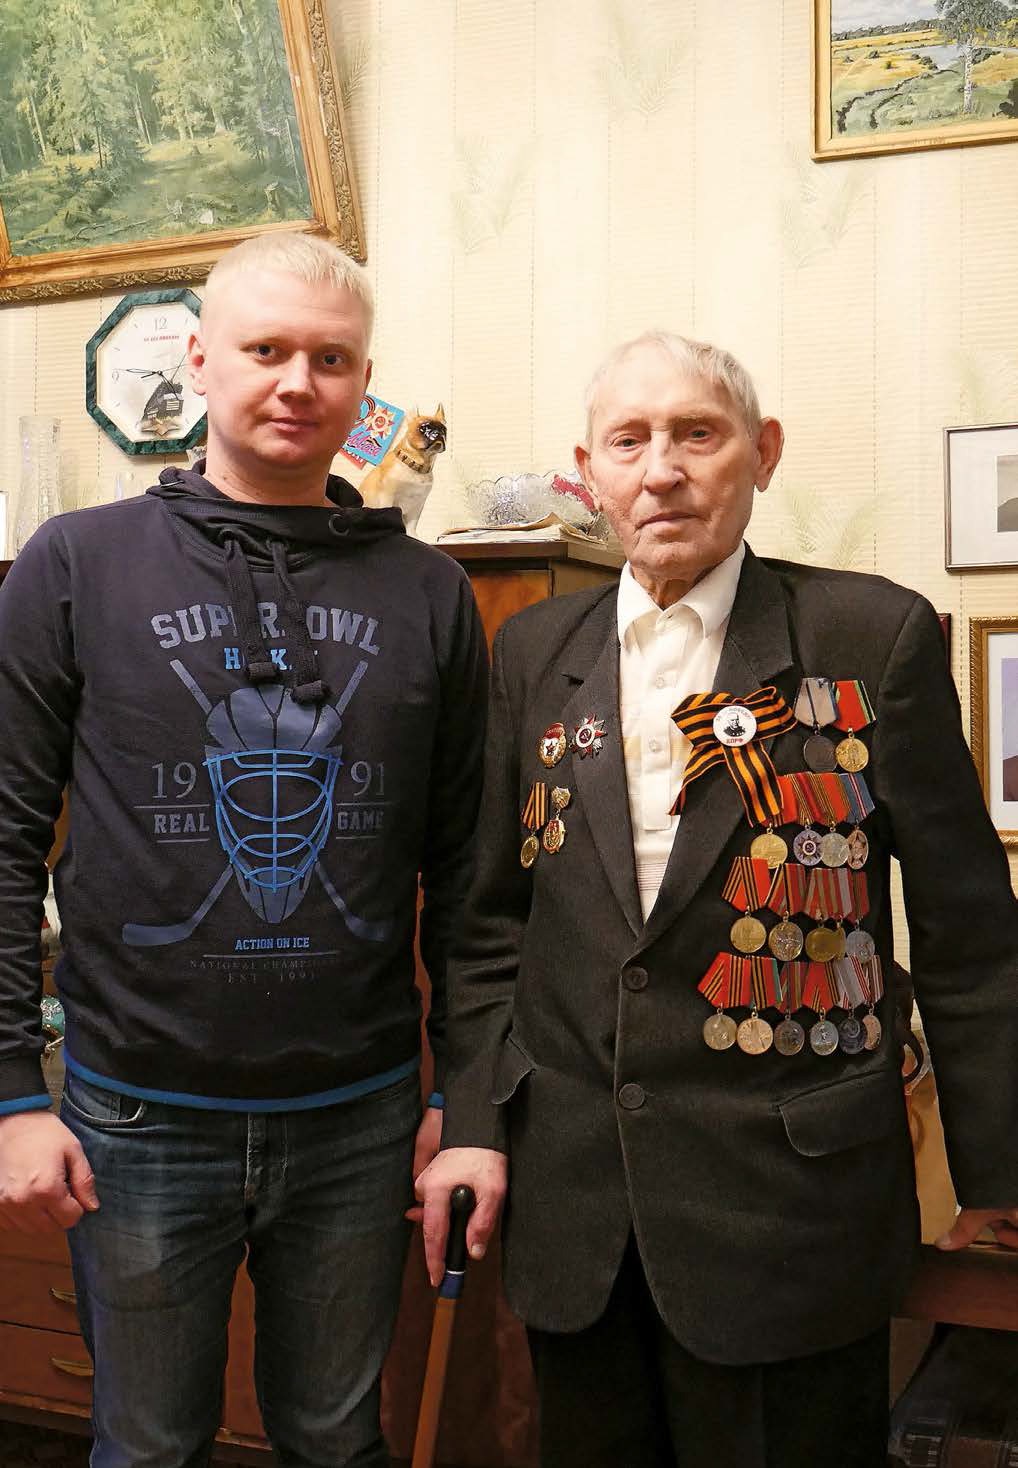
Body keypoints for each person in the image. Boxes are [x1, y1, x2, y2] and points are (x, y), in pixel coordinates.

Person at [417, 331, 1018, 1468]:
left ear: (762, 452)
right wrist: (478, 1124)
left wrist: (999, 1168)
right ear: (588, 473)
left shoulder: (868, 634)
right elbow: (490, 923)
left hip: (790, 1210)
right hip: (577, 1213)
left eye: (697, 433)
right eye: (628, 441)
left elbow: (969, 930)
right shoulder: (534, 650)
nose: (662, 470)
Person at [0, 231, 488, 1468]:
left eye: (331, 359)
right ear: (200, 358)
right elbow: (3, 837)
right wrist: (9, 1094)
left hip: (360, 1115)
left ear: (363, 383)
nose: (295, 382)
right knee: (148, 1445)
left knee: (336, 1435)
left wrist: (462, 1092)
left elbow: (469, 873)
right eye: (265, 349)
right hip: (132, 1114)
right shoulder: (73, 565)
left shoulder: (430, 593)